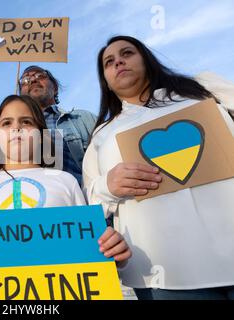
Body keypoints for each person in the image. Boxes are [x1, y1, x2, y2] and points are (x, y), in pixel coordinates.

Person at [83, 35, 234, 300]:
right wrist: (108, 185)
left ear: (146, 58)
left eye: (127, 53)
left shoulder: (203, 88)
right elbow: (90, 201)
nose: (118, 61)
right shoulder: (101, 135)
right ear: (105, 79)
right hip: (165, 277)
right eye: (109, 62)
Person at [0, 95, 131, 279]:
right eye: (6, 123)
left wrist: (113, 252)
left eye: (26, 121)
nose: (16, 128)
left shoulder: (65, 181)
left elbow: (90, 246)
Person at [19, 65, 97, 185]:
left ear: (54, 87)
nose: (33, 80)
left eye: (40, 75)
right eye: (25, 80)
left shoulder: (83, 119)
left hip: (77, 199)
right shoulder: (10, 131)